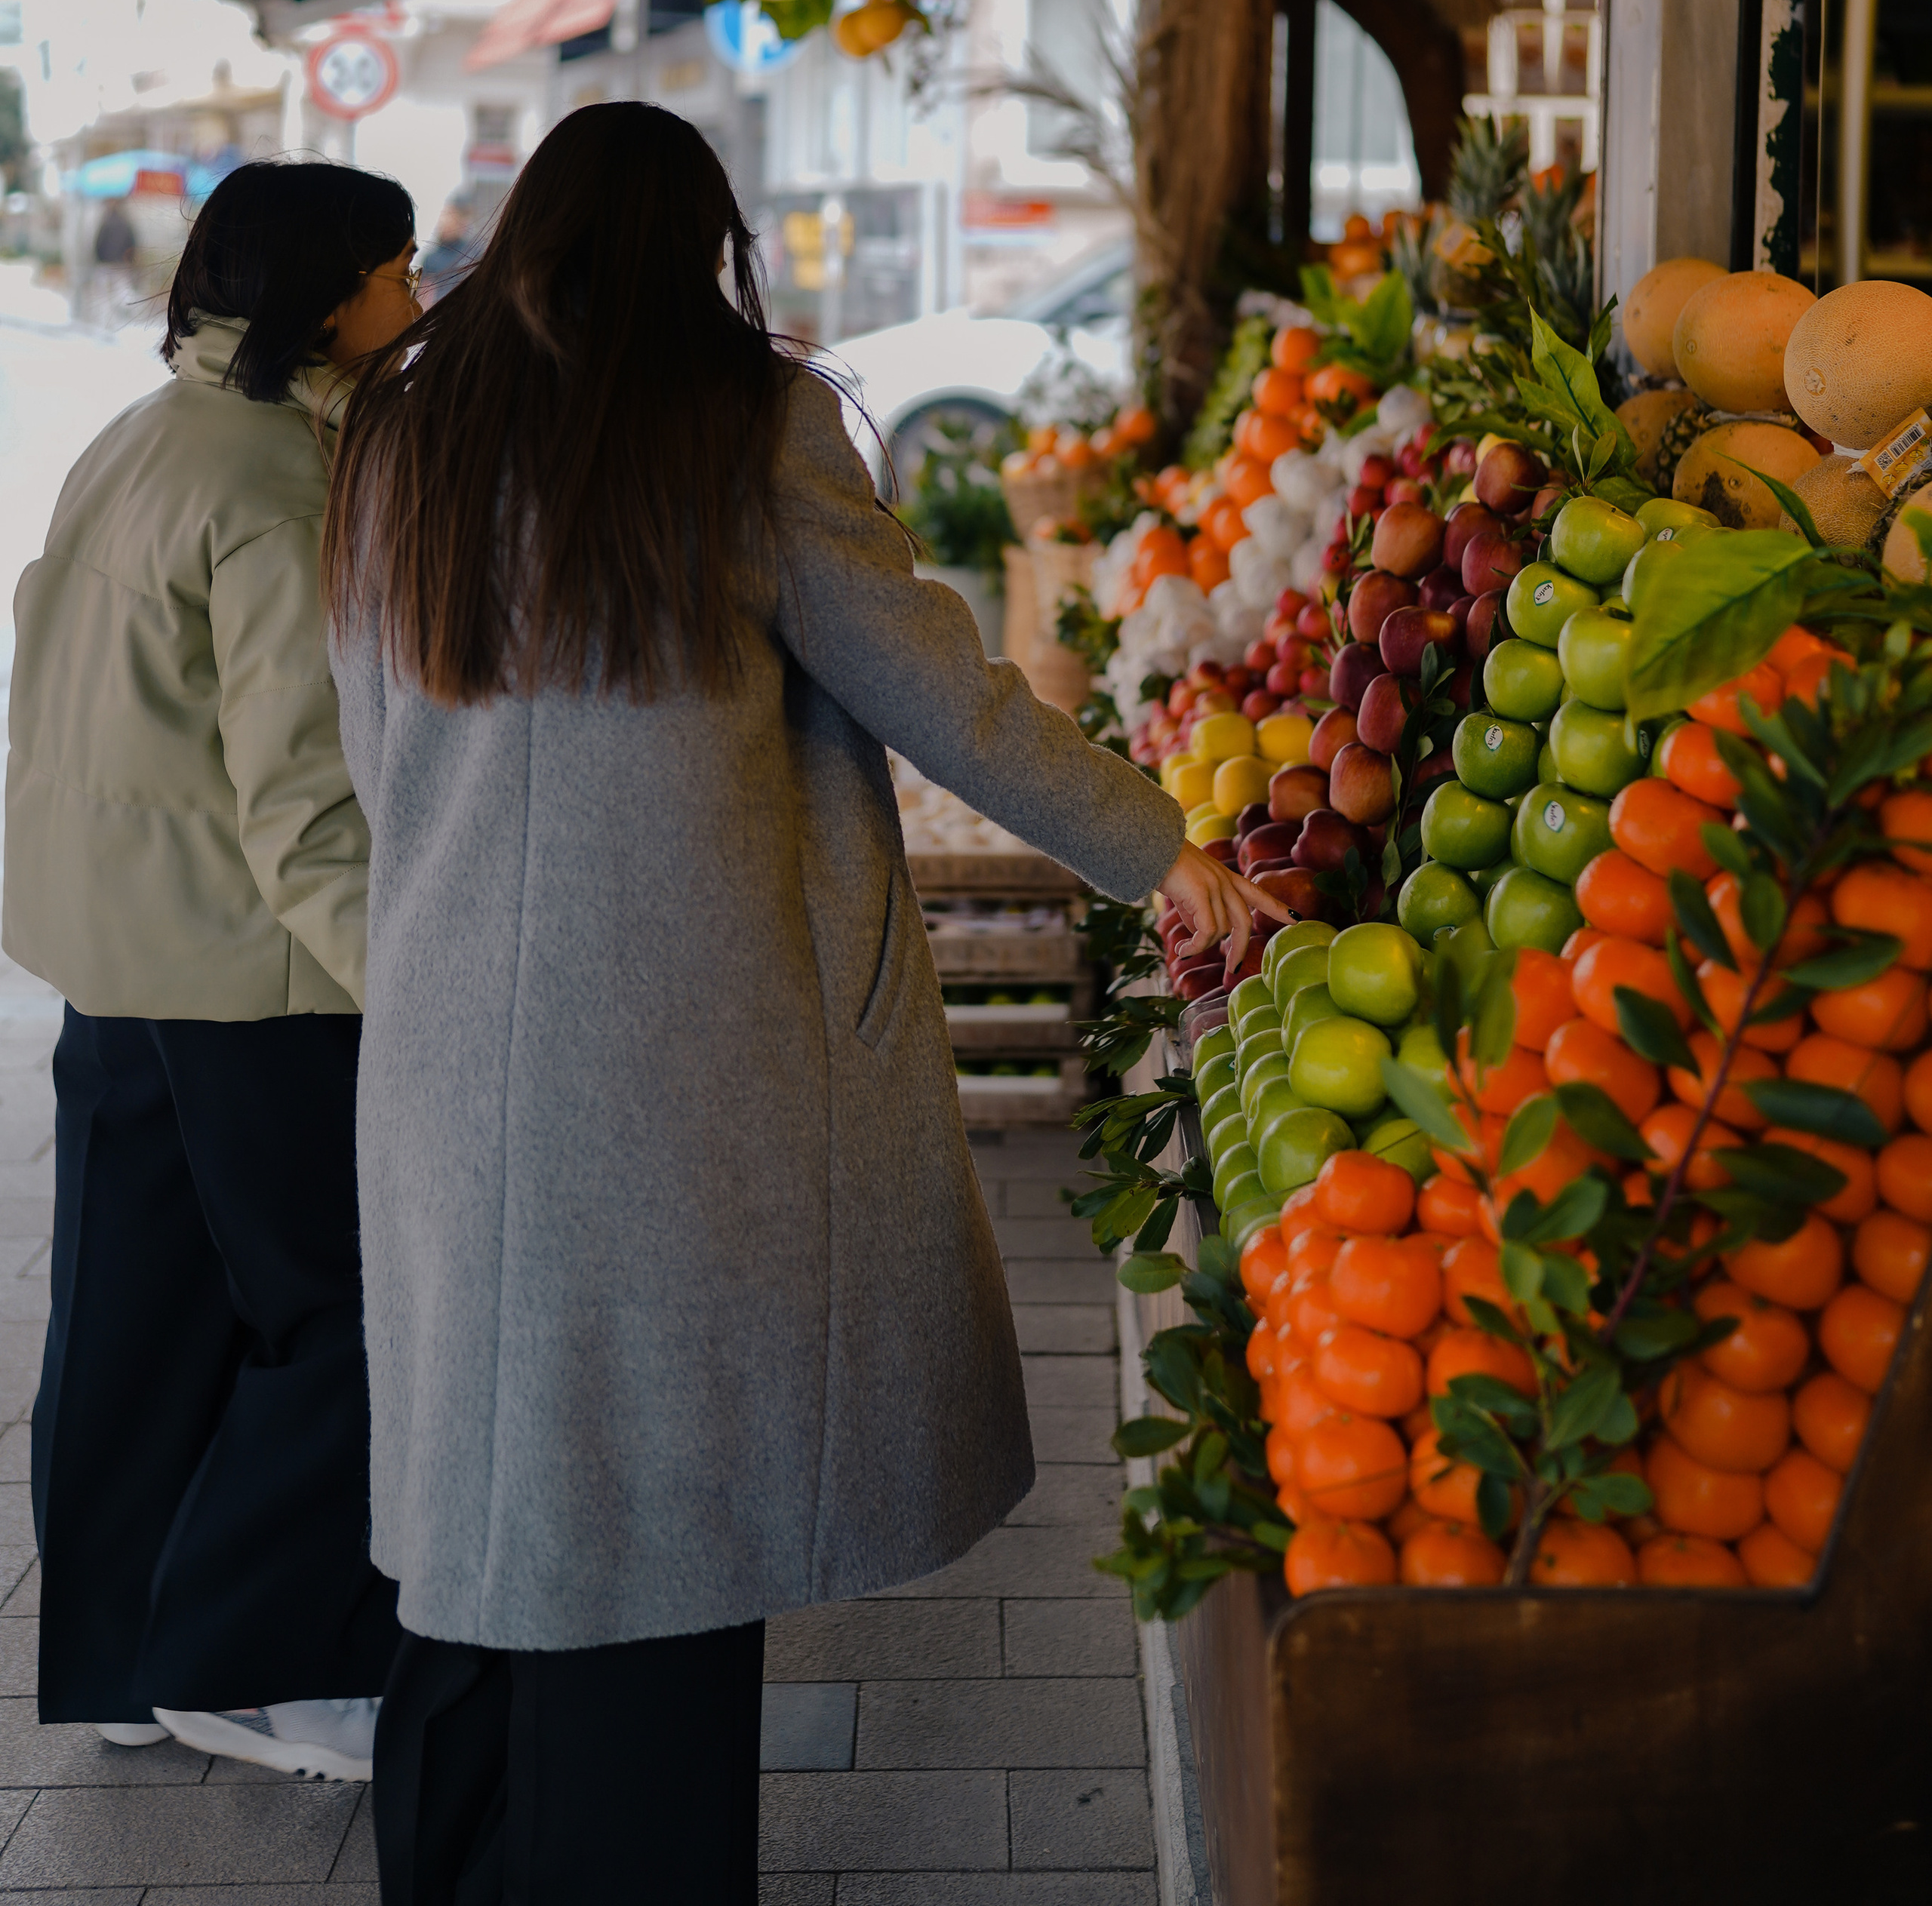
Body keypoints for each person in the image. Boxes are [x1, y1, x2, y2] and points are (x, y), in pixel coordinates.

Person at [321, 102, 1264, 1902]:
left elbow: (378, 759)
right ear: (704, 248)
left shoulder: (398, 443)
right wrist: (1161, 853)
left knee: (486, 1525)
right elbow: (950, 700)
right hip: (677, 1082)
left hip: (448, 1056)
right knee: (658, 1547)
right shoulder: (741, 430)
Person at [4, 160, 423, 1779]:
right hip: (246, 973)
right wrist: (415, 988)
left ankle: (115, 1665)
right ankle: (247, 1663)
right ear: (331, 301)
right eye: (398, 270)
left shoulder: (144, 436)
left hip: (107, 950)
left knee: (129, 1321)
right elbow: (305, 798)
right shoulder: (275, 482)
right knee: (351, 1307)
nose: (419, 296)